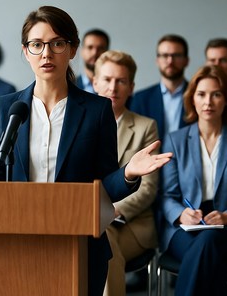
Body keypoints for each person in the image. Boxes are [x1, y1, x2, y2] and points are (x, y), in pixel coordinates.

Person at [0, 6, 172, 295]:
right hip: (16, 245)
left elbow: (103, 190)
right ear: (26, 52)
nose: (46, 54)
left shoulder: (97, 109)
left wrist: (127, 173)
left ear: (73, 49)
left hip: (80, 244)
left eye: (57, 44)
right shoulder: (6, 107)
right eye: (37, 45)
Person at [93, 50, 159, 296]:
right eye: (108, 79)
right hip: (85, 219)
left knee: (103, 243)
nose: (113, 87)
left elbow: (148, 188)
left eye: (121, 81)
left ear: (131, 87)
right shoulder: (80, 125)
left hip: (131, 224)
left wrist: (108, 212)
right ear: (95, 82)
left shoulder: (145, 126)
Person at [159, 65, 227, 295]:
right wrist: (181, 213)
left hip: (225, 225)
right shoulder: (176, 140)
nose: (208, 101)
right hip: (186, 225)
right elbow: (168, 195)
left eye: (216, 94)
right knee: (208, 254)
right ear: (192, 99)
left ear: (226, 99)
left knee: (208, 245)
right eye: (201, 94)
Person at [130, 34, 189, 142]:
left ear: (186, 60)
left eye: (176, 55)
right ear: (157, 60)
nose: (170, 61)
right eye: (165, 55)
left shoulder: (198, 95)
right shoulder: (140, 99)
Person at [77, 28, 110, 93]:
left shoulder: (113, 88)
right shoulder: (67, 86)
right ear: (82, 51)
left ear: (107, 52)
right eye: (90, 47)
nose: (94, 53)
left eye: (100, 48)